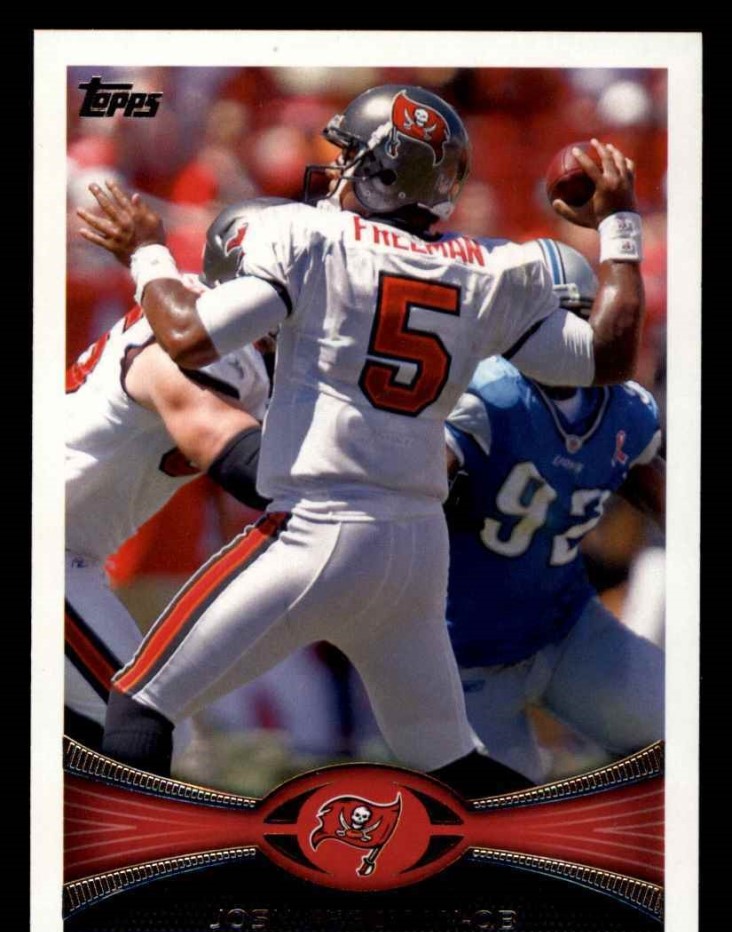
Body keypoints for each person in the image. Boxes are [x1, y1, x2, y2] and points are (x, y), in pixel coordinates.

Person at [77, 83, 645, 798]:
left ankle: (126, 861)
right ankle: (538, 850)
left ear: (383, 167)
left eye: (352, 157)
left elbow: (190, 336)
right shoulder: (488, 268)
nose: (339, 170)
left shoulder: (310, 237)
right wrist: (619, 226)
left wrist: (147, 254)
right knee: (447, 759)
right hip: (416, 547)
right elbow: (608, 358)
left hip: (317, 525)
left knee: (140, 701)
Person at [444, 239, 664, 782]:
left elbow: (665, 498)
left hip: (567, 632)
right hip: (465, 658)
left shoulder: (625, 407)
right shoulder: (484, 396)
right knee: (505, 812)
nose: (563, 335)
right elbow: (408, 492)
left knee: (679, 726)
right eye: (548, 318)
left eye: (577, 316)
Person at [65, 199, 282, 748]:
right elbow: (244, 464)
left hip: (73, 556)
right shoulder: (201, 346)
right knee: (142, 722)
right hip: (49, 552)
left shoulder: (231, 339)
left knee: (113, 730)